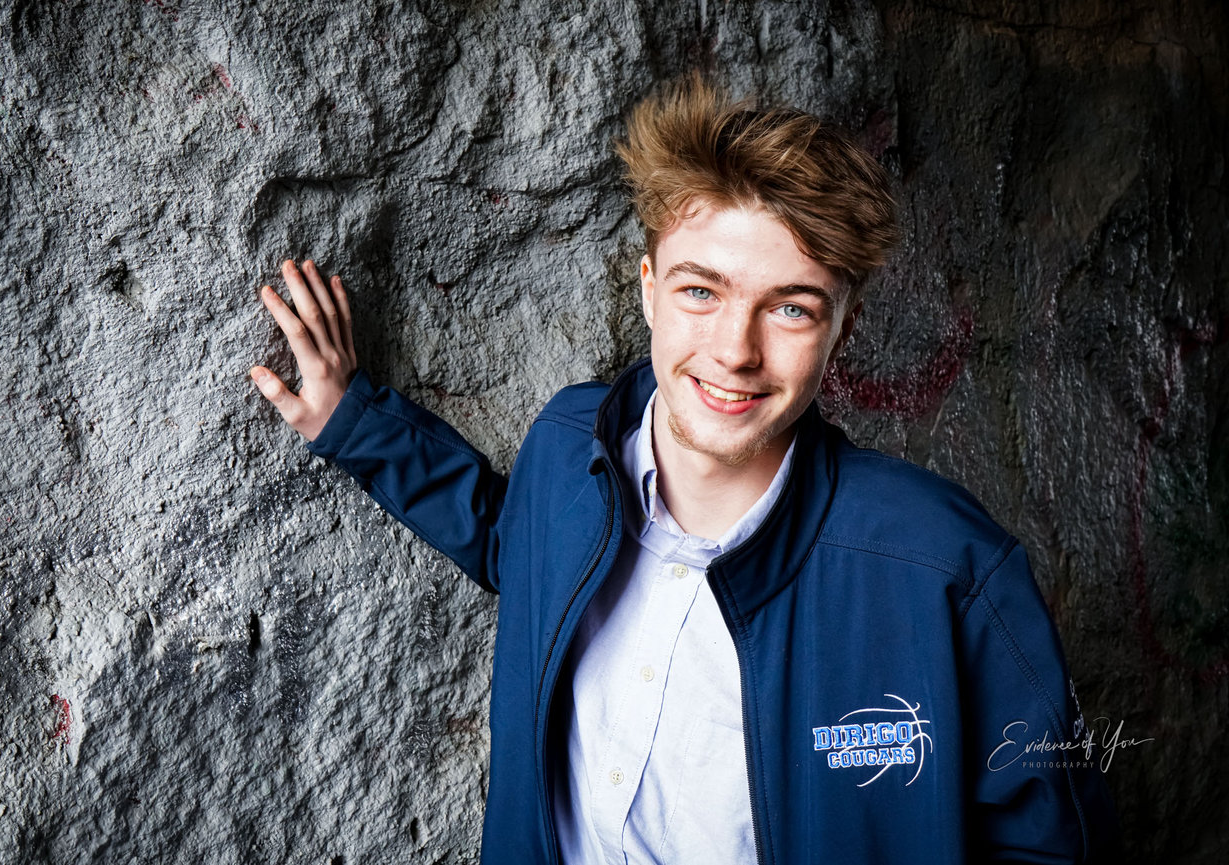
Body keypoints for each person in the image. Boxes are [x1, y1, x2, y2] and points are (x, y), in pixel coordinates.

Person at [249, 76, 1117, 864]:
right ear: (648, 288)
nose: (734, 350)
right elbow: (517, 546)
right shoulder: (567, 445)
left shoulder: (944, 564)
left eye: (789, 308)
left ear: (841, 331)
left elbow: (1051, 843)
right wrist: (351, 421)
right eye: (700, 291)